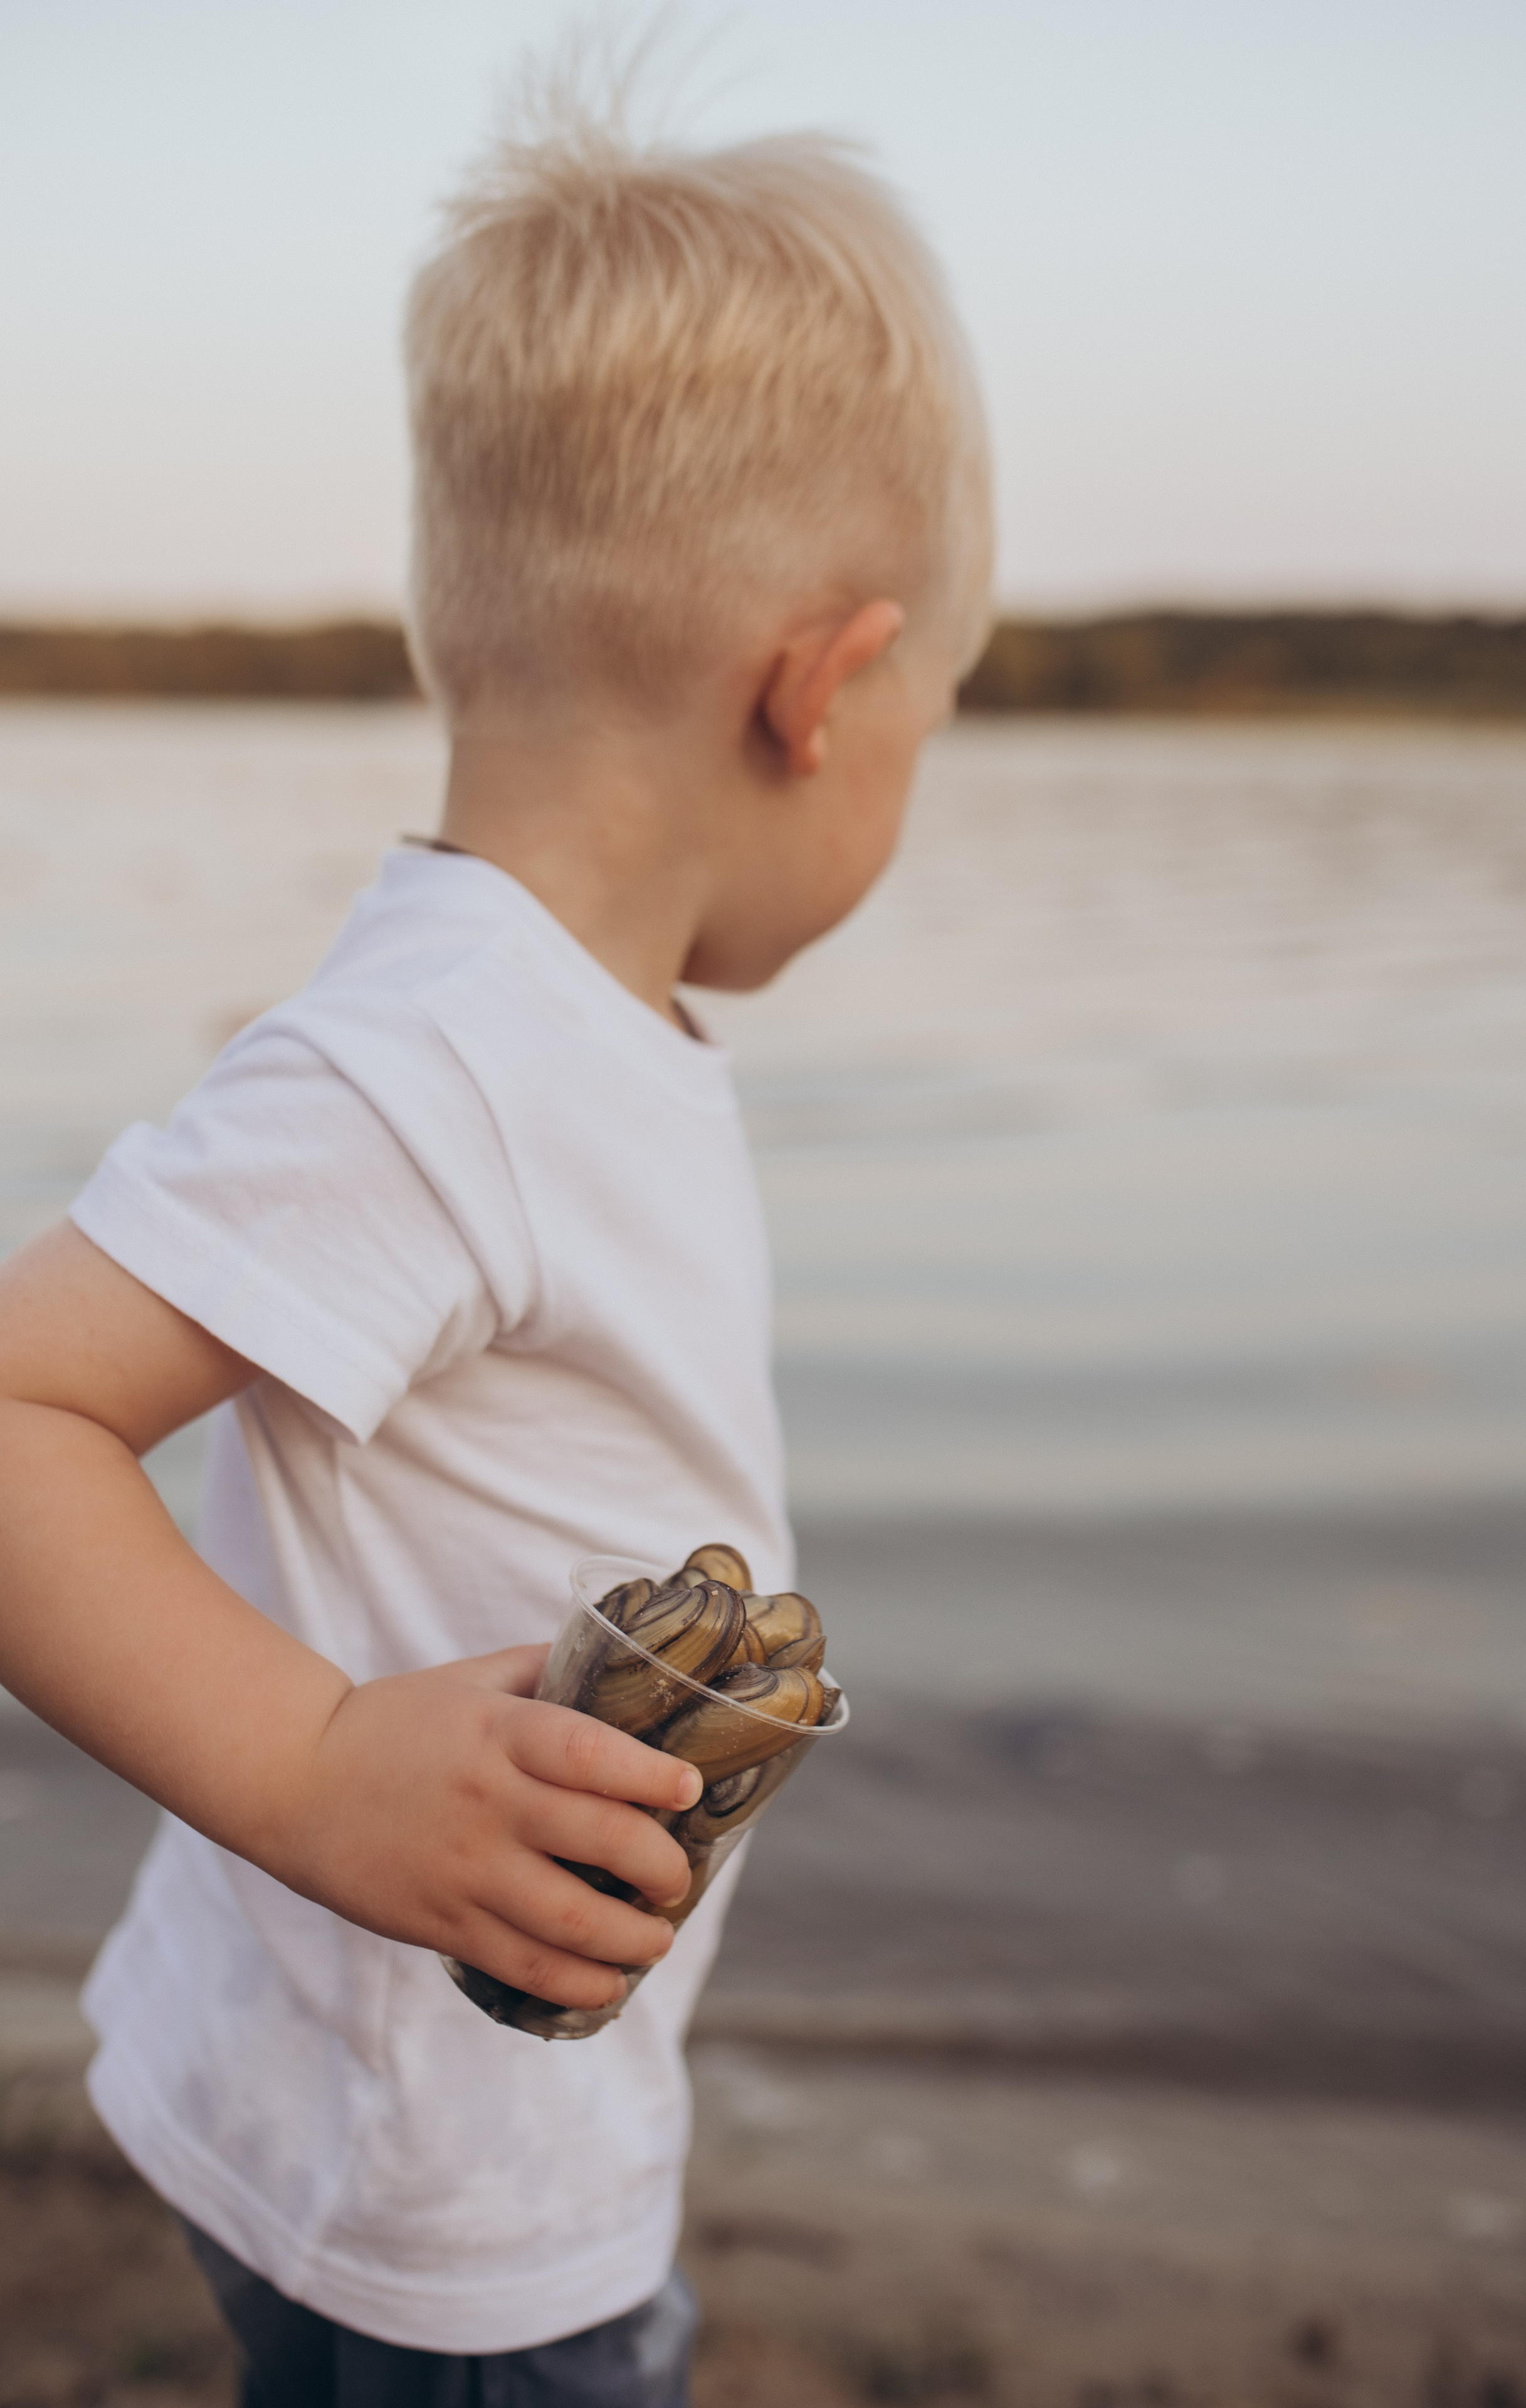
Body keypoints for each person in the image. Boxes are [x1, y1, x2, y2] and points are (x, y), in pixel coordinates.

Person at [0, 83, 991, 2408]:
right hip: (426, 2186)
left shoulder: (557, 1026)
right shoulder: (450, 1059)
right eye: (925, 723)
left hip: (450, 2107)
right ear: (821, 690)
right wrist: (322, 1755)